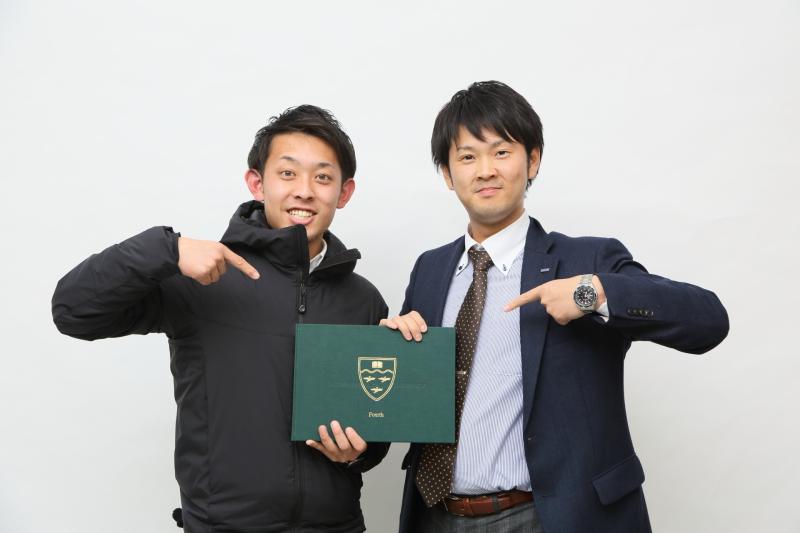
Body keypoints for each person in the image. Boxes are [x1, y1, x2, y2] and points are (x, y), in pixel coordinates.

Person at [382, 81, 729, 533]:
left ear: (533, 160)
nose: (485, 170)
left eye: (501, 152)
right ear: (448, 174)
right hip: (435, 517)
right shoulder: (430, 270)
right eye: (467, 157)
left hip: (549, 517)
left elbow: (708, 320)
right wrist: (396, 351)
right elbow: (412, 395)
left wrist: (593, 293)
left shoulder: (586, 260)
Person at [52, 105, 389, 533]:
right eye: (287, 173)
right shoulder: (203, 275)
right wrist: (166, 249)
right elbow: (73, 311)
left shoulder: (364, 300)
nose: (304, 191)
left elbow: (376, 427)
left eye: (322, 177)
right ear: (257, 183)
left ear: (344, 192)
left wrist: (360, 453)